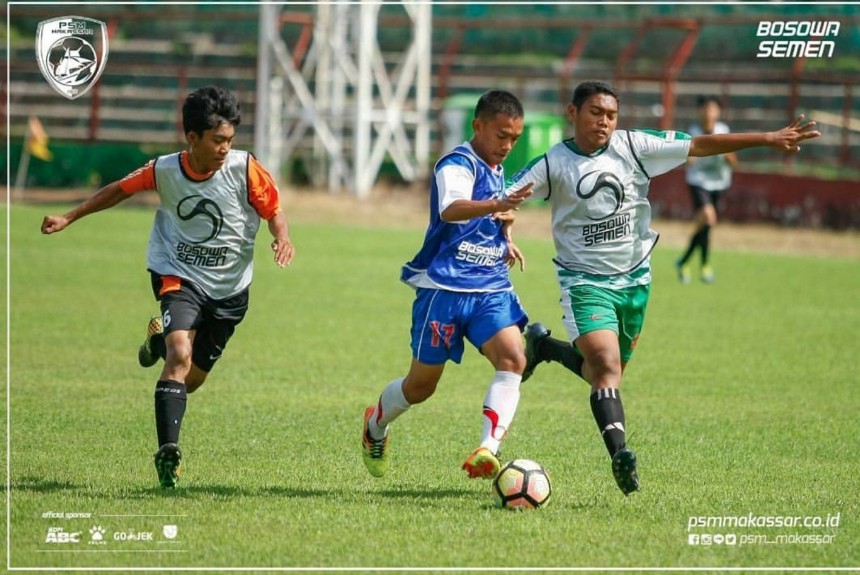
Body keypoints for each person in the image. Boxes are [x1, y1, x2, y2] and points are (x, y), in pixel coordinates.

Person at [507, 80, 819, 495]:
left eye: (611, 115)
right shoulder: (553, 163)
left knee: (604, 373)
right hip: (583, 281)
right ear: (573, 112)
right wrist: (504, 224)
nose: (604, 122)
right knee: (604, 365)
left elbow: (699, 145)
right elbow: (507, 195)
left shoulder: (635, 146)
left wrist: (767, 138)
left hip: (636, 280)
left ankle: (544, 347)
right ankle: (620, 454)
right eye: (595, 112)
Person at [41, 85, 295, 488]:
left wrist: (281, 237)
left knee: (190, 379)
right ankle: (168, 454)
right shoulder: (164, 170)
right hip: (178, 274)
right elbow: (118, 191)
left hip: (231, 289)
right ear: (191, 138)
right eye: (217, 140)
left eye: (230, 139)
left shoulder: (246, 169)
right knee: (180, 354)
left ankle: (156, 341)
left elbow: (274, 210)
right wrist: (71, 216)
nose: (225, 148)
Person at [360, 90, 534, 480]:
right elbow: (451, 209)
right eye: (501, 135)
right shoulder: (457, 163)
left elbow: (495, 210)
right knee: (421, 387)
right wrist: (497, 204)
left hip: (489, 285)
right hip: (444, 288)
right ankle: (376, 423)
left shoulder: (496, 166)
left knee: (513, 359)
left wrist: (505, 235)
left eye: (514, 139)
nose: (507, 146)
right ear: (478, 126)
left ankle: (488, 449)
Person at [676, 95, 738, 284]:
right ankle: (703, 265)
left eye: (713, 109)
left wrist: (727, 153)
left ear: (718, 112)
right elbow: (686, 159)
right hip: (698, 182)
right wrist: (689, 158)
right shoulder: (693, 132)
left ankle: (686, 261)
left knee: (705, 226)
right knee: (709, 218)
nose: (709, 112)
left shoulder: (723, 131)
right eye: (706, 109)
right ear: (699, 111)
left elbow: (734, 162)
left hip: (719, 182)